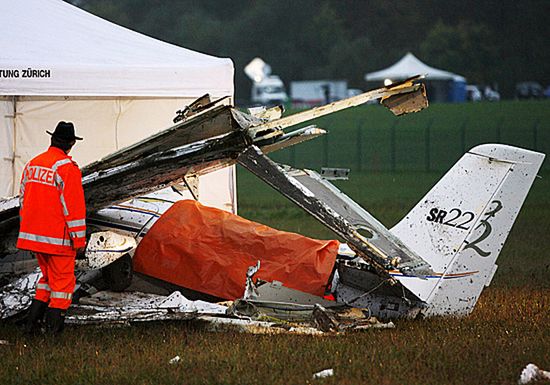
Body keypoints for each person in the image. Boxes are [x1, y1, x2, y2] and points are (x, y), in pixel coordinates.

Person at [17, 121, 86, 334]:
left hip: (33, 237)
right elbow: (73, 209)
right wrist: (79, 241)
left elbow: (22, 199)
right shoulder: (67, 168)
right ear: (72, 143)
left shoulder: (33, 164)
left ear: (52, 139)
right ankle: (53, 333)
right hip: (58, 239)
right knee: (63, 286)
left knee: (47, 281)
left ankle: (31, 326)